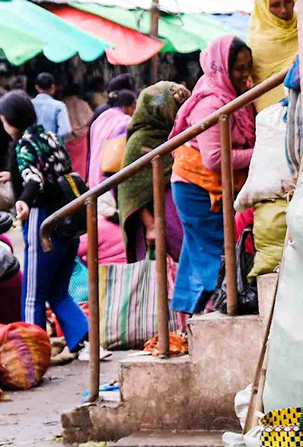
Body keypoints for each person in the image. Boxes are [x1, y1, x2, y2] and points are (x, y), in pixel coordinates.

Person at [0, 90, 88, 358]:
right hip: (67, 217)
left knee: (33, 294)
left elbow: (34, 179)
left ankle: (32, 353)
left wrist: (23, 201)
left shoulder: (24, 144)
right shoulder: (50, 137)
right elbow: (53, 171)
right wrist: (12, 176)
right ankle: (85, 341)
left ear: (9, 120)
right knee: (58, 290)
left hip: (42, 219)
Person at [170, 36, 256, 314]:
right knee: (218, 252)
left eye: (248, 67)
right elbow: (215, 157)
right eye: (239, 69)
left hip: (213, 186)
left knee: (197, 255)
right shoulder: (211, 104)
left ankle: (190, 317)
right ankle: (219, 307)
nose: (246, 75)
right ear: (222, 69)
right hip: (197, 189)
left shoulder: (234, 96)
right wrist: (261, 153)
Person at [119, 82, 189, 264]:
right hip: (157, 221)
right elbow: (130, 189)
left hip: (179, 216)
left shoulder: (177, 135)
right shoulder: (139, 141)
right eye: (174, 107)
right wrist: (150, 225)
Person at [79, 89, 135, 265]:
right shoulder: (125, 122)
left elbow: (91, 149)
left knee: (98, 229)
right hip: (111, 183)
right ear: (127, 107)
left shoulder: (99, 120)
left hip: (95, 180)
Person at [248, 0, 297, 110]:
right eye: (275, 5)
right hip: (272, 113)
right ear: (263, 8)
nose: (284, 10)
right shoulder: (259, 43)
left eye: (288, 2)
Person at [32, 73, 72, 140]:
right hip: (52, 148)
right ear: (53, 87)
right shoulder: (59, 106)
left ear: (37, 88)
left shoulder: (29, 104)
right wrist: (55, 142)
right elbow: (65, 130)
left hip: (31, 147)